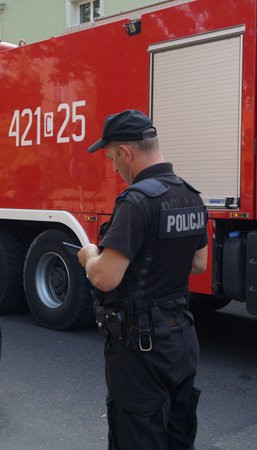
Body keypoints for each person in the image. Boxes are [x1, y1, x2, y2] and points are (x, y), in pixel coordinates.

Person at [77, 109, 208, 450]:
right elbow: (199, 262)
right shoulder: (191, 195)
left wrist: (90, 255)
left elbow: (106, 278)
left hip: (141, 347)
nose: (114, 168)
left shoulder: (136, 202)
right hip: (182, 342)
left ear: (126, 153)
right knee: (178, 437)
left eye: (111, 158)